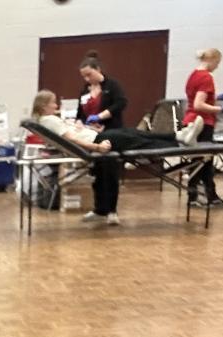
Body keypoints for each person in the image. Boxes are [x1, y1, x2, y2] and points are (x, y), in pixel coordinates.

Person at [32, 90, 203, 154]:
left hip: (97, 137)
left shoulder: (49, 120)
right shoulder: (49, 120)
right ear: (44, 105)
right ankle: (180, 144)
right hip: (97, 142)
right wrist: (97, 148)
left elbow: (72, 134)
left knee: (134, 132)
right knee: (137, 139)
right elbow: (72, 139)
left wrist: (85, 128)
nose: (56, 105)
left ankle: (178, 136)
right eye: (53, 102)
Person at [77, 52, 129, 224]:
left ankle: (112, 211)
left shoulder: (112, 85)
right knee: (97, 173)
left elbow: (121, 103)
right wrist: (80, 123)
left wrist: (100, 116)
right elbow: (80, 113)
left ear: (98, 69)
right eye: (84, 76)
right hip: (93, 136)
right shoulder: (84, 90)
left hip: (111, 133)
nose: (87, 79)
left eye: (89, 74)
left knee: (110, 172)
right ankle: (99, 209)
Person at [183, 47, 223, 206]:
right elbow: (199, 104)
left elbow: (195, 99)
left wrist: (216, 98)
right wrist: (219, 109)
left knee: (198, 160)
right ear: (212, 60)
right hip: (202, 123)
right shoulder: (206, 77)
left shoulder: (193, 75)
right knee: (204, 161)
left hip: (190, 121)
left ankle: (200, 196)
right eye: (218, 63)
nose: (217, 66)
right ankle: (205, 196)